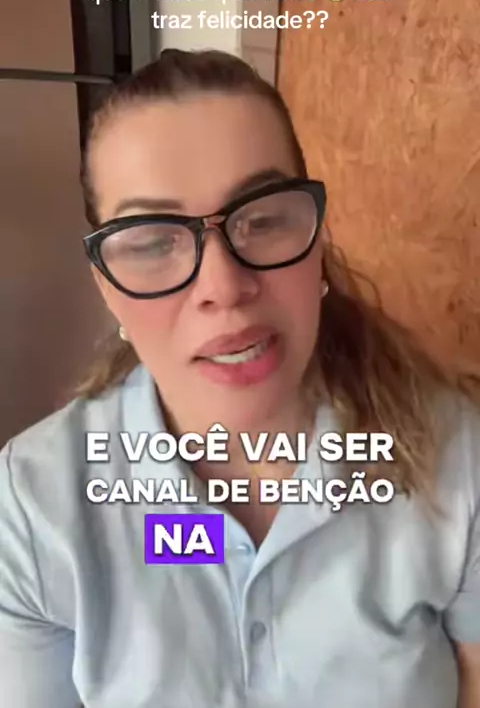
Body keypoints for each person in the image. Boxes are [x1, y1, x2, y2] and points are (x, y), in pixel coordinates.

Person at [0, 48, 479, 708]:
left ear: (315, 239)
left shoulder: (459, 455)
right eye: (153, 239)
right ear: (108, 289)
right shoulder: (32, 510)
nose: (224, 286)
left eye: (262, 218)